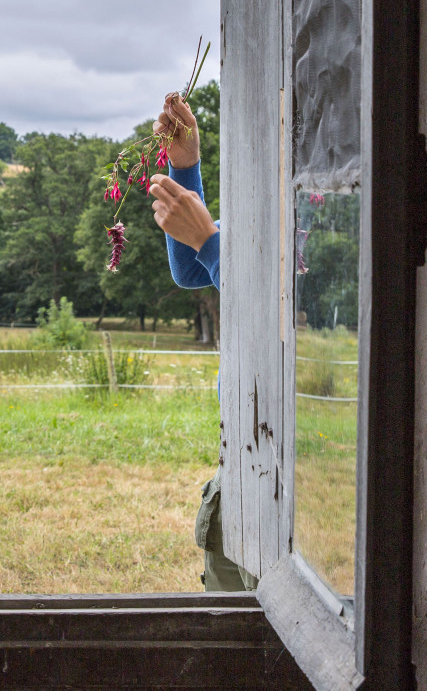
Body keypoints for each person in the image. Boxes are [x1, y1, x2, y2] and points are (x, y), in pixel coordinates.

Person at [147, 93, 255, 592]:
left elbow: (267, 301)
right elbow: (193, 268)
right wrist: (184, 166)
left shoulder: (314, 211)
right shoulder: (268, 203)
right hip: (237, 468)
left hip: (287, 472)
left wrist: (211, 242)